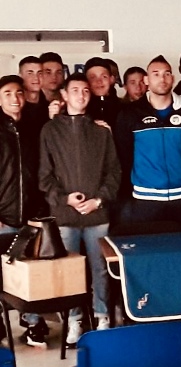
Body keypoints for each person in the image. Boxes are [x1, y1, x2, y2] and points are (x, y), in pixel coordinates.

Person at [39, 72, 121, 345]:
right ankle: (74, 320)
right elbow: (44, 176)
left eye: (85, 90)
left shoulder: (101, 130)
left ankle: (102, 317)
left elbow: (114, 172)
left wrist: (98, 200)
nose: (81, 95)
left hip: (97, 213)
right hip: (66, 215)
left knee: (100, 269)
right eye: (75, 90)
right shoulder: (50, 130)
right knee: (70, 270)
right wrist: (66, 199)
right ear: (64, 95)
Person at [115, 55, 181, 232]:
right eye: (156, 74)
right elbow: (123, 156)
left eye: (166, 74)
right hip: (145, 198)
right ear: (146, 80)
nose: (162, 79)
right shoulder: (130, 114)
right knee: (150, 247)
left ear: (173, 78)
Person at [0, 75, 48, 346]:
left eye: (18, 93)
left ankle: (32, 321)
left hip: (31, 215)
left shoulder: (33, 127)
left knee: (29, 273)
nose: (15, 98)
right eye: (7, 93)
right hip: (3, 216)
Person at [84, 57, 122, 129]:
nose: (99, 81)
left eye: (104, 77)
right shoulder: (80, 110)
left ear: (111, 79)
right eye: (93, 77)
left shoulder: (124, 109)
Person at [18, 56, 49, 142]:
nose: (36, 78)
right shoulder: (15, 108)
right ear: (20, 76)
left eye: (39, 73)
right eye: (30, 73)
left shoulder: (49, 108)